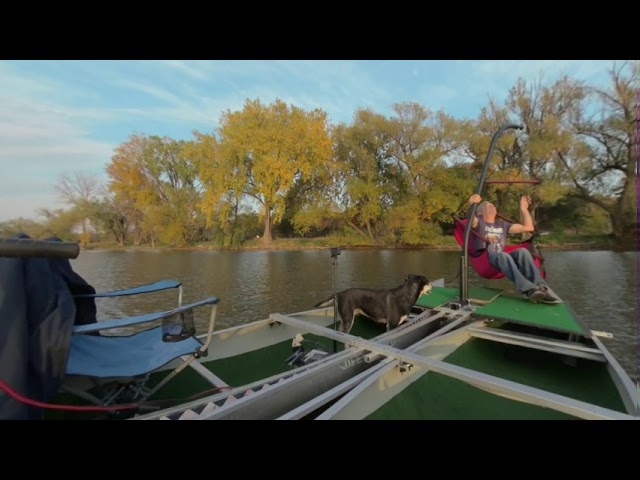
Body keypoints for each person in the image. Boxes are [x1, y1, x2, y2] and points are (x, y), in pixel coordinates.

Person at [468, 193, 562, 304]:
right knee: (503, 255)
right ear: (480, 213)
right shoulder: (479, 223)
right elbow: (471, 220)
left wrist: (523, 209)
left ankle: (541, 287)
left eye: (492, 204)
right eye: (487, 205)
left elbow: (528, 227)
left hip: (504, 258)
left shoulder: (502, 225)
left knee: (522, 251)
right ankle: (528, 289)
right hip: (487, 259)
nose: (491, 205)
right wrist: (471, 204)